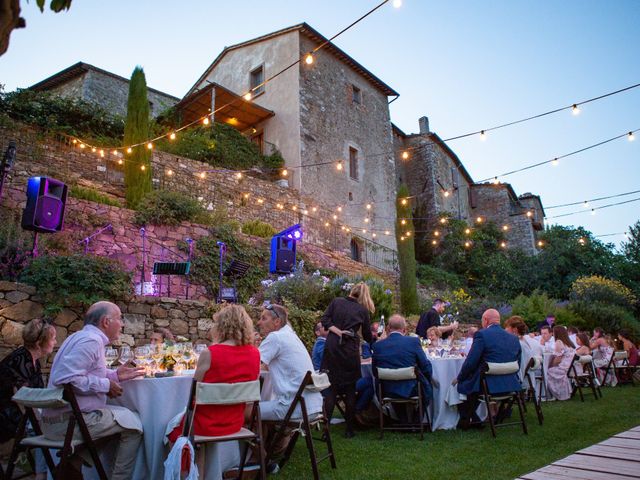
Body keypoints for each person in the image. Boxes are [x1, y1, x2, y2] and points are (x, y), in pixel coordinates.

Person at [42, 301, 145, 480]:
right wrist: (106, 386)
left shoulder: (79, 337)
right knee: (135, 425)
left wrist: (116, 375)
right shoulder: (91, 341)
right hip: (67, 423)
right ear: (106, 322)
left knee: (123, 420)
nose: (122, 324)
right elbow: (67, 379)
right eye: (120, 319)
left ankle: (72, 465)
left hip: (58, 419)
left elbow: (87, 372)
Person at [167, 305, 260, 468]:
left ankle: (185, 475)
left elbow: (194, 392)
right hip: (234, 423)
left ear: (220, 326)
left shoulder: (210, 353)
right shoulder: (255, 353)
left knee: (170, 429)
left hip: (205, 425)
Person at [0, 318, 57, 480]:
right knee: (49, 427)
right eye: (52, 339)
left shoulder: (33, 360)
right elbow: (24, 399)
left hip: (19, 412)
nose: (55, 342)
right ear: (39, 343)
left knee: (50, 423)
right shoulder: (20, 360)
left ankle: (42, 473)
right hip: (6, 416)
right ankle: (42, 475)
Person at [453, 309, 521, 430]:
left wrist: (459, 377)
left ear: (485, 320)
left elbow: (471, 362)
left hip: (488, 385)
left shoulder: (482, 334)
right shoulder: (514, 338)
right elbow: (517, 363)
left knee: (461, 386)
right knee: (471, 385)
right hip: (511, 385)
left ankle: (468, 420)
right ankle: (478, 418)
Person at [321, 283, 374, 438]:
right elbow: (367, 335)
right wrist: (375, 338)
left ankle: (326, 430)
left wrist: (337, 331)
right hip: (349, 349)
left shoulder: (336, 302)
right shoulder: (362, 310)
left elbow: (324, 320)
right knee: (350, 390)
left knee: (331, 390)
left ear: (351, 291)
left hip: (332, 348)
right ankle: (349, 429)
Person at [258, 303, 323, 422]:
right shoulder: (291, 336)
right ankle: (273, 440)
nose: (259, 323)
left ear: (277, 321)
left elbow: (251, 365)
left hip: (293, 408)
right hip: (312, 406)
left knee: (246, 412)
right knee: (264, 410)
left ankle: (249, 440)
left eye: (263, 318)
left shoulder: (275, 337)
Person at [372, 314, 435, 418]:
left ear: (388, 329)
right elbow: (425, 366)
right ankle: (416, 420)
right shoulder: (413, 342)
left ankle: (402, 420)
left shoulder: (378, 345)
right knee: (427, 386)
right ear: (404, 329)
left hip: (387, 390)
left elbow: (375, 372)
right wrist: (428, 379)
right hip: (412, 389)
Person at [545, 326, 576, 401]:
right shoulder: (569, 342)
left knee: (547, 372)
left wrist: (550, 366)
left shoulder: (559, 342)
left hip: (563, 368)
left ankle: (555, 394)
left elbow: (558, 359)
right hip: (570, 367)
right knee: (549, 370)